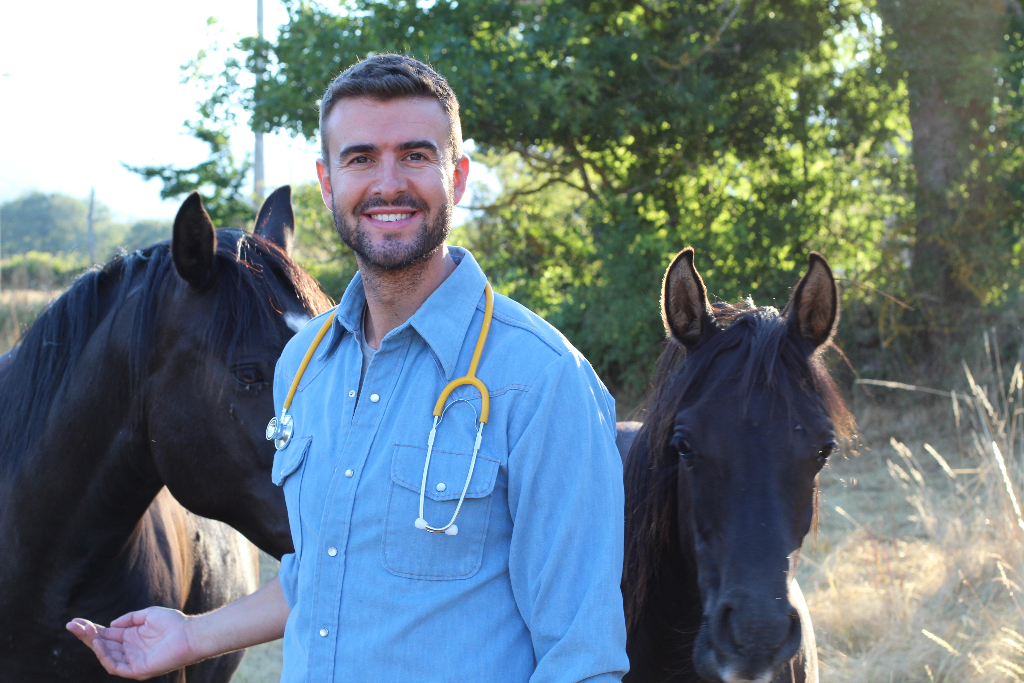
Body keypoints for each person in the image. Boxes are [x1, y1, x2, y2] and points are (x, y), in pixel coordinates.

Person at [68, 54, 629, 682]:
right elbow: (327, 570)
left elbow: (582, 659)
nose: (388, 183)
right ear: (328, 182)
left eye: (416, 156)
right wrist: (190, 636)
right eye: (360, 158)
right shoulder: (305, 365)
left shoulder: (544, 382)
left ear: (459, 177)